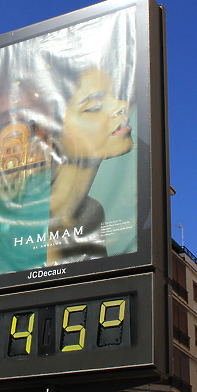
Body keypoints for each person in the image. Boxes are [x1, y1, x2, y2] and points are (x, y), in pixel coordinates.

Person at [46, 67, 134, 265]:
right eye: (94, 105)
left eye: (115, 95)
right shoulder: (24, 222)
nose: (122, 105)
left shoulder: (93, 211)